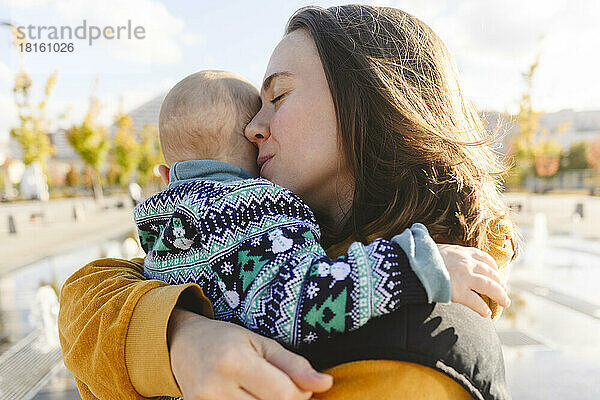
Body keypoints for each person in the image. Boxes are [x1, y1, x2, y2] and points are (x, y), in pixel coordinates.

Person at [58, 4, 517, 400]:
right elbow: (87, 292)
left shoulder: (428, 341)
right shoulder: (275, 228)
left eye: (277, 96)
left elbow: (304, 295)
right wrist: (181, 336)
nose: (253, 128)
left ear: (371, 100)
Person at [135, 69, 508, 347]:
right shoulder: (250, 212)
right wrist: (414, 265)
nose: (257, 128)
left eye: (278, 97)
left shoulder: (165, 235)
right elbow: (295, 301)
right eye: (254, 117)